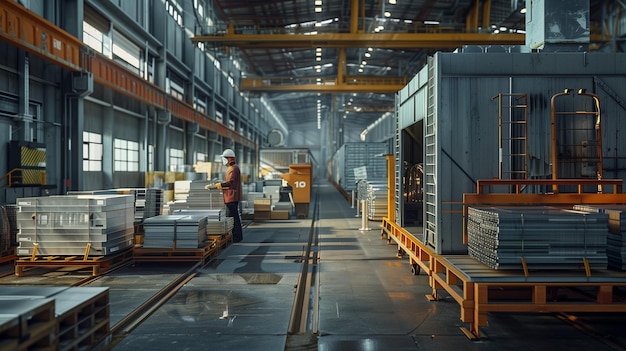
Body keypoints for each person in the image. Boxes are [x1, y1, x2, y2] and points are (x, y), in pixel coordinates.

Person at [205, 149, 243, 243]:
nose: (223, 161)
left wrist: (216, 186)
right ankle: (236, 236)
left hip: (231, 197)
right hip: (230, 197)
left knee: (233, 218)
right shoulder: (232, 168)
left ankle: (237, 237)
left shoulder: (233, 169)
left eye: (224, 158)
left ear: (229, 158)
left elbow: (230, 183)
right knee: (233, 217)